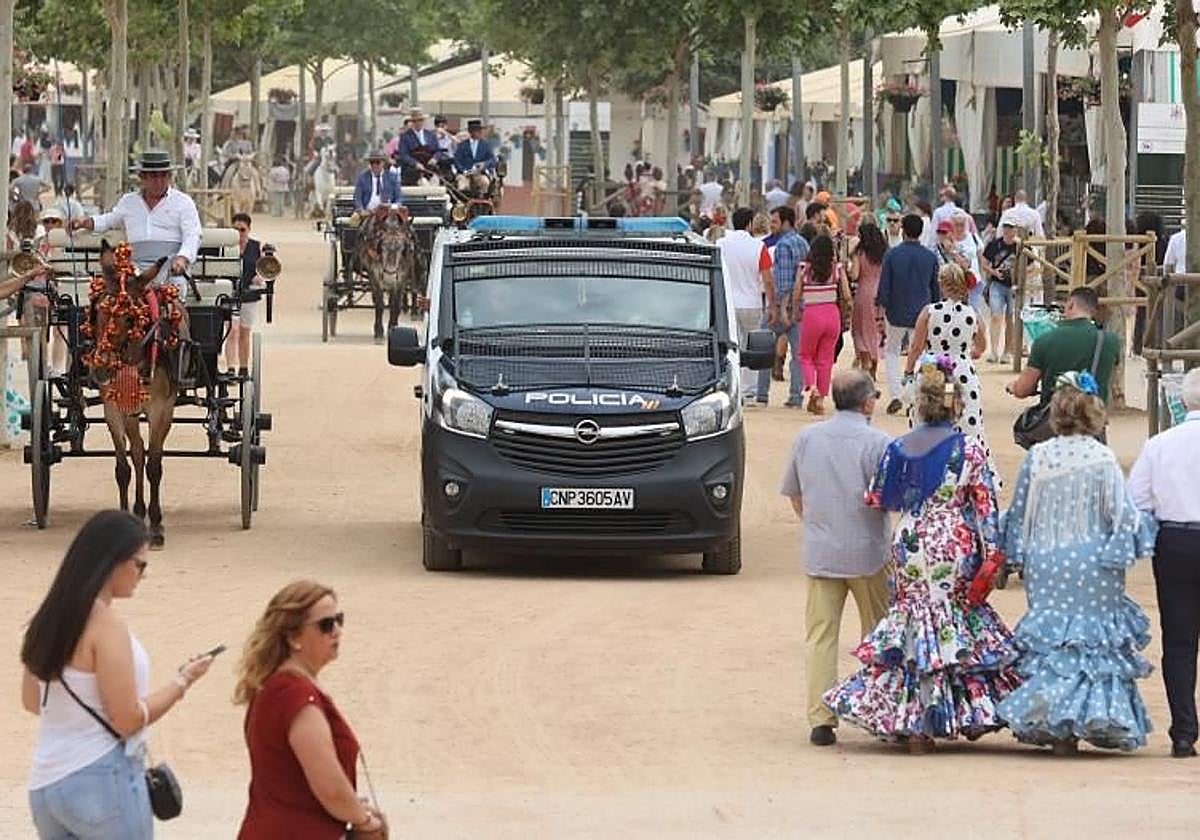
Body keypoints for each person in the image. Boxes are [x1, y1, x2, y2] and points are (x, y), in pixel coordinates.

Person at [824, 357, 1019, 752]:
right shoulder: (971, 449)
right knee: (953, 622)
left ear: (918, 405)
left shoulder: (899, 447)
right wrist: (994, 556)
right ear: (956, 405)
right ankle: (955, 713)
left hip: (911, 541)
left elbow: (878, 497)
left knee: (914, 627)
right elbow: (986, 509)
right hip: (954, 543)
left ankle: (915, 727)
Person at [20, 510, 216, 840]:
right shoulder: (106, 626)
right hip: (101, 777)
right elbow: (127, 718)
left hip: (47, 782)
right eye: (140, 564)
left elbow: (32, 702)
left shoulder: (47, 619)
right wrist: (181, 683)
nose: (143, 574)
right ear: (113, 562)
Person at [998, 373, 1158, 754]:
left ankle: (1057, 726)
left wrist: (1014, 554)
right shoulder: (1102, 458)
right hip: (1094, 563)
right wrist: (1123, 552)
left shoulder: (1039, 456)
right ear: (1094, 414)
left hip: (1047, 560)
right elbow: (1123, 516)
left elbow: (1019, 514)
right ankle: (1091, 716)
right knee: (1092, 645)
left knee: (1056, 643)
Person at [781, 370, 891, 747]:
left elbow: (796, 497)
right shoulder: (878, 442)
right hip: (869, 552)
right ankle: (877, 708)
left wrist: (818, 524)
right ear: (867, 402)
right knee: (877, 633)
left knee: (821, 636)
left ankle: (820, 718)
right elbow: (888, 499)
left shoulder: (807, 437)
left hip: (822, 550)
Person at [235, 581, 386, 839]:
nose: (337, 631)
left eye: (339, 620)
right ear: (293, 637)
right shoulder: (296, 696)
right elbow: (329, 787)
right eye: (326, 625)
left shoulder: (275, 688)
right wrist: (366, 821)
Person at [1128, 368, 1200, 758]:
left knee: (1179, 640)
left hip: (1175, 540)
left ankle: (1184, 732)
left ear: (1183, 402)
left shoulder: (1160, 444)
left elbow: (1136, 500)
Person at [70, 151, 201, 298]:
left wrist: (182, 258)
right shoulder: (128, 202)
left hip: (170, 267)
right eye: (153, 176)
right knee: (113, 299)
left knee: (173, 302)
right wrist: (84, 222)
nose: (159, 181)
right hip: (135, 269)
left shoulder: (183, 202)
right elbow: (109, 220)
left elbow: (192, 235)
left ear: (170, 176)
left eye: (164, 175)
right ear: (142, 178)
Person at [905, 264, 989, 451]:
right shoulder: (973, 314)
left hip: (933, 369)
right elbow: (982, 347)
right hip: (962, 371)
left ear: (942, 284)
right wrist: (966, 353)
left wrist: (908, 371)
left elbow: (916, 346)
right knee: (967, 425)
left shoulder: (929, 311)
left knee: (928, 420)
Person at [1006, 286, 1120, 407]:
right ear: (1094, 310)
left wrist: (1014, 387)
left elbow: (1023, 389)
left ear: (1071, 304)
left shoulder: (1045, 340)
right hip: (1092, 419)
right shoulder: (1110, 341)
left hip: (1056, 419)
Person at [876, 213, 941, 414]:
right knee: (920, 353)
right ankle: (913, 397)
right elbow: (935, 289)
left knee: (892, 351)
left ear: (903, 230)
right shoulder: (930, 257)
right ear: (921, 232)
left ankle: (896, 394)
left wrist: (881, 308)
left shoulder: (892, 255)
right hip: (922, 311)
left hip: (896, 311)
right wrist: (935, 308)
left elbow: (884, 286)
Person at [718, 207, 775, 405]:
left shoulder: (720, 244)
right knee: (752, 347)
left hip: (728, 303)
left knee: (731, 347)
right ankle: (749, 393)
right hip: (752, 303)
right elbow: (767, 280)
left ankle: (731, 388)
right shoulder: (759, 247)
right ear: (750, 223)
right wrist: (772, 304)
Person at [793, 233, 849, 415]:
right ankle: (821, 398)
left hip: (812, 314)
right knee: (825, 359)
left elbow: (796, 294)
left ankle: (811, 386)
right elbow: (847, 295)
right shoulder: (837, 269)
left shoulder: (804, 269)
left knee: (805, 355)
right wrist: (848, 312)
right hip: (832, 315)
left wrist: (795, 311)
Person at [757, 205, 807, 407]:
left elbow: (784, 281)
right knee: (798, 355)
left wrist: (779, 309)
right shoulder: (803, 243)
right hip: (801, 305)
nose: (772, 225)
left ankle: (761, 394)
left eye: (775, 221)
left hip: (782, 308)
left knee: (762, 350)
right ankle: (796, 396)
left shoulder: (783, 246)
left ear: (786, 222)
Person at [222, 212, 264, 380]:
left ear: (248, 230)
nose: (239, 233)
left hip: (248, 295)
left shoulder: (255, 247)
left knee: (245, 332)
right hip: (229, 293)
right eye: (236, 229)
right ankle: (231, 367)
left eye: (242, 230)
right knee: (231, 331)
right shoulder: (224, 246)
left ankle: (244, 367)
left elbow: (261, 269)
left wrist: (258, 278)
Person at [850, 221, 888, 377]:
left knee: (860, 330)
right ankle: (874, 364)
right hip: (881, 293)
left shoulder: (860, 253)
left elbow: (855, 275)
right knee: (876, 329)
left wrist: (851, 259)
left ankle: (866, 361)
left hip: (864, 293)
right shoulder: (884, 253)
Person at [980, 220, 1019, 363]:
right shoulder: (994, 245)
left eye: (1011, 228)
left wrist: (1018, 275)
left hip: (1014, 286)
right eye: (1006, 227)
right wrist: (993, 272)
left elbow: (1032, 266)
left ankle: (1007, 352)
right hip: (997, 284)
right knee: (996, 316)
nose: (1008, 231)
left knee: (1011, 319)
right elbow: (983, 261)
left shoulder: (1020, 246)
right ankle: (994, 351)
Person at [951, 209, 987, 317]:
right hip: (956, 283)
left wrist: (985, 276)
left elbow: (982, 258)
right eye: (956, 224)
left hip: (974, 282)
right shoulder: (949, 240)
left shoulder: (973, 238)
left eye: (962, 224)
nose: (959, 228)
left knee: (973, 312)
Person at [398, 107, 442, 185]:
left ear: (424, 121)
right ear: (412, 122)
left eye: (420, 120)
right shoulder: (405, 136)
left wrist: (435, 158)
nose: (418, 123)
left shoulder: (431, 135)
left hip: (429, 167)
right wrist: (415, 163)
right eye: (415, 121)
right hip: (413, 170)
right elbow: (403, 154)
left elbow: (438, 150)